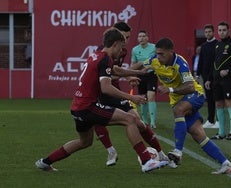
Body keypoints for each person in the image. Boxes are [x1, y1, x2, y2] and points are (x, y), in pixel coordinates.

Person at [35, 28, 168, 173]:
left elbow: (116, 70)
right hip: (88, 107)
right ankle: (146, 161)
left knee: (84, 142)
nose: (122, 51)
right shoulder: (105, 59)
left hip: (77, 107)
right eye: (122, 47)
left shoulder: (97, 55)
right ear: (116, 44)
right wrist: (132, 97)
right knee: (130, 119)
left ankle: (45, 162)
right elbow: (106, 88)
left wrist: (138, 72)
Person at [144, 37, 231, 174]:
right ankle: (227, 164)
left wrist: (169, 89)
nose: (158, 56)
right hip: (179, 100)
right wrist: (127, 74)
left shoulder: (180, 63)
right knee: (197, 134)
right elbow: (140, 67)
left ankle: (178, 152)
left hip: (195, 95)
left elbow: (191, 87)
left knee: (178, 109)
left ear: (170, 52)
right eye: (157, 53)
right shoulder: (154, 60)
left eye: (161, 54)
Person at [94, 22, 175, 167]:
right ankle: (112, 152)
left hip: (116, 91)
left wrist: (130, 76)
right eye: (125, 37)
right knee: (96, 122)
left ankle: (161, 155)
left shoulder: (123, 51)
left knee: (139, 122)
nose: (126, 41)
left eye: (128, 37)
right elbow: (107, 75)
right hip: (103, 91)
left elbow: (116, 70)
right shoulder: (103, 52)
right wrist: (131, 74)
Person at [205, 22, 231, 140]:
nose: (221, 32)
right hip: (216, 80)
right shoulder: (217, 45)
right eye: (220, 30)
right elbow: (214, 64)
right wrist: (208, 79)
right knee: (218, 104)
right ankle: (221, 133)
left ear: (228, 31)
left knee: (229, 103)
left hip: (228, 79)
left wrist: (228, 70)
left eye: (224, 30)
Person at [131, 30, 157, 129]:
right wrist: (141, 64)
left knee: (151, 96)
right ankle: (145, 121)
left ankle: (153, 122)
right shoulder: (135, 50)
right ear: (137, 39)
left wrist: (149, 66)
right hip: (141, 75)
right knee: (143, 98)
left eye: (143, 36)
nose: (141, 38)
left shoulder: (154, 48)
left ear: (147, 38)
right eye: (139, 36)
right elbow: (133, 66)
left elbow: (158, 61)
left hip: (151, 74)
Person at [196, 24, 219, 129]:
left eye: (209, 31)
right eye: (206, 32)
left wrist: (210, 77)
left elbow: (216, 62)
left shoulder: (218, 44)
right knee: (209, 99)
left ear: (213, 32)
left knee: (217, 99)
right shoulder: (204, 46)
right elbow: (201, 61)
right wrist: (197, 74)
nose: (208, 34)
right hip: (205, 77)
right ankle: (210, 120)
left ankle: (218, 121)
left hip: (215, 76)